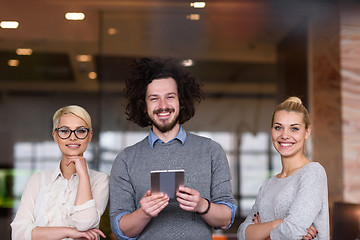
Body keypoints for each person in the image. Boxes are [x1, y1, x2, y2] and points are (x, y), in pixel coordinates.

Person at [109, 58, 237, 239]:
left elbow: (226, 218)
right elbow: (120, 229)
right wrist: (144, 213)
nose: (163, 106)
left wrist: (202, 205)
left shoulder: (211, 151)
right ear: (144, 106)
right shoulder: (126, 160)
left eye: (170, 97)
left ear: (181, 101)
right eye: (154, 98)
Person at [11, 105, 109, 240]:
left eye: (80, 131)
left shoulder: (101, 180)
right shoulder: (38, 179)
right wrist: (68, 232)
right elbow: (18, 233)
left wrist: (83, 175)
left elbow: (85, 224)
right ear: (55, 136)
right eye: (64, 131)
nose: (73, 137)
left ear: (89, 136)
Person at [237, 97, 329, 240]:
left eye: (294, 128)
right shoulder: (268, 185)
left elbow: (292, 232)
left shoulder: (313, 172)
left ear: (306, 132)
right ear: (272, 130)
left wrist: (261, 233)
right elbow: (242, 234)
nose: (285, 135)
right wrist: (277, 224)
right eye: (278, 127)